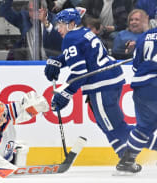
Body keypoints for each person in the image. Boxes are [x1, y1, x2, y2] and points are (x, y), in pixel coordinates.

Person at [44, 8, 133, 159]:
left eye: (61, 24)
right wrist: (58, 61)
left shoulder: (70, 38)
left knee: (117, 128)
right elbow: (84, 54)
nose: (58, 28)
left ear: (72, 23)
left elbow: (80, 73)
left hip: (101, 84)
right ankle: (125, 157)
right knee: (105, 124)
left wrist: (65, 93)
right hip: (110, 80)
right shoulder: (84, 32)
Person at [115, 27, 157, 173]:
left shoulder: (145, 36)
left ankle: (127, 160)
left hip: (141, 86)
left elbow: (136, 66)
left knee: (144, 127)